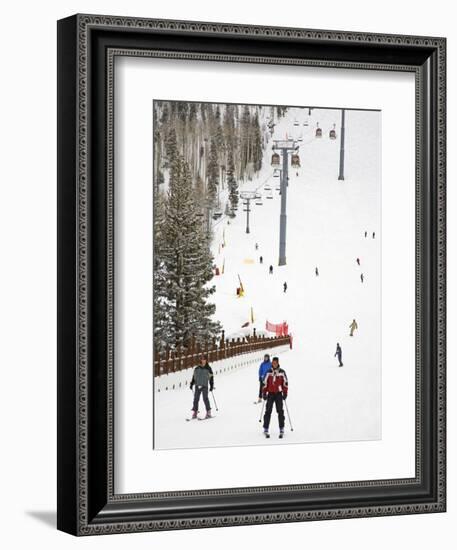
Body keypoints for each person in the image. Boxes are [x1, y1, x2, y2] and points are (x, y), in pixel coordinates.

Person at [262, 357, 288, 438]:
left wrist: (285, 393)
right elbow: (264, 383)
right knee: (268, 411)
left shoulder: (282, 372)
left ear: (278, 363)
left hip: (279, 394)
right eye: (273, 363)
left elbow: (285, 383)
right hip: (270, 394)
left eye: (275, 363)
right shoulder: (268, 372)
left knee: (280, 411)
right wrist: (264, 393)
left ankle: (281, 428)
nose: (274, 364)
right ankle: (266, 428)